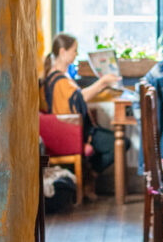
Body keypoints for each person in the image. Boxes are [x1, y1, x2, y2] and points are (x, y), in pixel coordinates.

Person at [40, 33, 121, 192]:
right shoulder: (57, 80)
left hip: (74, 128)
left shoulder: (63, 76)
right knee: (118, 144)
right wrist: (102, 82)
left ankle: (88, 177)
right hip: (70, 131)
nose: (76, 54)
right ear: (63, 52)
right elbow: (78, 98)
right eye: (74, 50)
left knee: (114, 140)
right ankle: (89, 178)